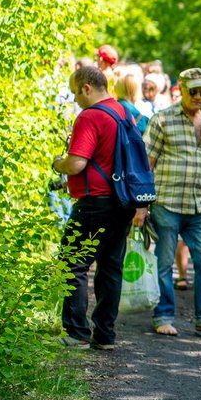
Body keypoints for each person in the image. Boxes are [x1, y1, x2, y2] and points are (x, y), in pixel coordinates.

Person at [54, 67, 137, 350]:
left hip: (95, 202)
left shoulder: (90, 116)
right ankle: (105, 335)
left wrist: (58, 164)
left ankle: (77, 332)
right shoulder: (124, 112)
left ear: (87, 88)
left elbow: (77, 162)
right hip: (123, 201)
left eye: (76, 92)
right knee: (111, 268)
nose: (76, 99)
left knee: (73, 263)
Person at [138, 68, 201, 338]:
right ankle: (163, 316)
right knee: (164, 263)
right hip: (167, 202)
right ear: (181, 89)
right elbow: (146, 164)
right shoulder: (162, 119)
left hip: (200, 205)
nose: (199, 97)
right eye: (194, 92)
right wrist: (141, 204)